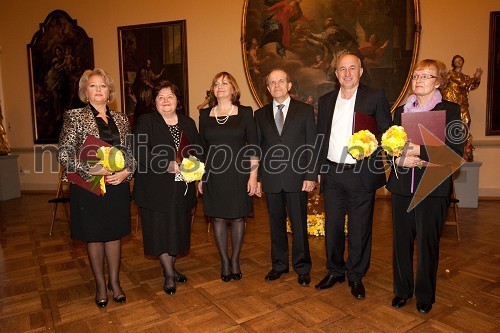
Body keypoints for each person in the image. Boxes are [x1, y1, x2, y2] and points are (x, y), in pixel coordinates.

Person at [387, 59, 464, 314]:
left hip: (432, 188)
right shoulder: (400, 111)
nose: (419, 80)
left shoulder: (451, 110)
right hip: (401, 187)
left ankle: (424, 295)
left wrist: (419, 149)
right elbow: (389, 147)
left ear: (438, 81)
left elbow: (455, 152)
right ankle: (402, 291)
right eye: (416, 75)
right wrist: (397, 157)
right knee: (401, 243)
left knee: (428, 244)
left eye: (426, 76)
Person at [57, 68, 136, 307]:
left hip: (117, 185)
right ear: (85, 91)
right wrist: (90, 169)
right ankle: (101, 285)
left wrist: (126, 172)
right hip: (89, 186)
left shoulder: (122, 118)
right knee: (94, 235)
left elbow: (131, 153)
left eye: (102, 85)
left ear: (109, 91)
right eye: (93, 86)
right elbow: (64, 153)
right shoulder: (75, 117)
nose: (98, 89)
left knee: (113, 234)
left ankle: (115, 282)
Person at [315, 54, 392, 299]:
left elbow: (387, 132)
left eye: (352, 68)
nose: (347, 73)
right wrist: (316, 170)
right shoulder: (326, 100)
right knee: (333, 226)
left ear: (360, 72)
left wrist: (371, 142)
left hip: (361, 174)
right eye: (342, 69)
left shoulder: (375, 96)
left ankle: (356, 275)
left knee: (360, 229)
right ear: (336, 74)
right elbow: (320, 137)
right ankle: (335, 270)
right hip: (332, 173)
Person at [133, 81, 201, 295]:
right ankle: (169, 274)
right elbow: (139, 150)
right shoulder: (146, 121)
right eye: (160, 97)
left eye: (169, 96)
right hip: (155, 188)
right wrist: (167, 165)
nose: (165, 101)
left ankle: (171, 266)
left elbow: (198, 150)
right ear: (154, 102)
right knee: (159, 231)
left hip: (182, 188)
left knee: (176, 230)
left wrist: (194, 167)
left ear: (177, 100)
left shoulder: (188, 122)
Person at [254, 68, 318, 286]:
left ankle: (302, 267)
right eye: (272, 82)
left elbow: (311, 144)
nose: (277, 85)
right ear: (268, 88)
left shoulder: (305, 110)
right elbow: (259, 148)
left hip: (298, 178)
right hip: (271, 179)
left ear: (289, 85)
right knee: (275, 224)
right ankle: (279, 265)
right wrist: (259, 178)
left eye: (281, 81)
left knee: (299, 224)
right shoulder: (259, 114)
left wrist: (311, 175)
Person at [198, 72, 259, 282]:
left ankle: (235, 259)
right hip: (213, 174)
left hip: (238, 173)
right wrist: (200, 177)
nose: (220, 86)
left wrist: (253, 176)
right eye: (216, 83)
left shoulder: (245, 112)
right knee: (218, 217)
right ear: (213, 90)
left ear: (233, 88)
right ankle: (224, 261)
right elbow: (202, 150)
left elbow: (253, 146)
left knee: (238, 217)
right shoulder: (204, 115)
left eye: (225, 83)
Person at [440, 55, 482, 161]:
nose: (458, 62)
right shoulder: (451, 74)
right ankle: (450, 147)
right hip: (451, 104)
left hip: (462, 104)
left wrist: (477, 78)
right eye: (456, 60)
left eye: (460, 60)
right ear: (453, 63)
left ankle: (463, 147)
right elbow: (443, 84)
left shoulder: (465, 77)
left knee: (466, 121)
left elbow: (471, 85)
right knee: (450, 125)